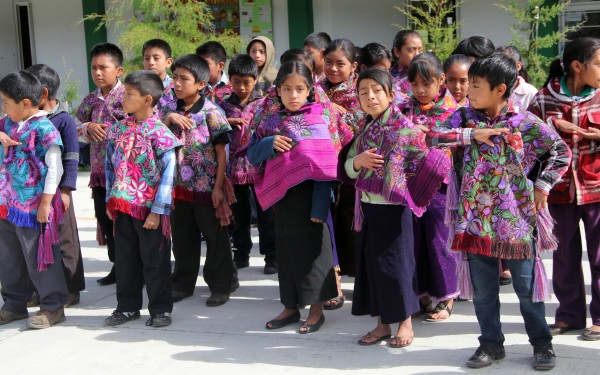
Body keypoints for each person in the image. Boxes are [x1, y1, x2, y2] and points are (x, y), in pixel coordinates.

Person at [426, 53, 571, 370]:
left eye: (476, 85)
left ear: (500, 89)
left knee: (525, 288)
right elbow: (432, 136)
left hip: (516, 223)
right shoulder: (463, 118)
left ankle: (542, 344)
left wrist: (543, 185)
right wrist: (470, 135)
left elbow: (561, 151)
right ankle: (490, 344)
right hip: (475, 223)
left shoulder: (523, 122)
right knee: (483, 292)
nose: (469, 91)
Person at [341, 68, 450, 348]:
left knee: (399, 268)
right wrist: (358, 162)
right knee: (374, 268)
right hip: (370, 209)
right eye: (363, 92)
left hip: (397, 210)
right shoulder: (363, 131)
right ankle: (381, 325)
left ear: (391, 95)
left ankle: (405, 323)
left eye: (377, 91)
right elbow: (347, 167)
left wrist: (414, 191)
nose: (370, 97)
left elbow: (429, 160)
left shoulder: (405, 129)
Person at [248, 61, 339, 334]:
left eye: (300, 89)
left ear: (310, 90)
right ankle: (290, 306)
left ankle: (316, 310)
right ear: (277, 91)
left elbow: (326, 165)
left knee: (314, 254)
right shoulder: (269, 122)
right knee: (286, 252)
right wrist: (268, 143)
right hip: (282, 199)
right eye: (287, 89)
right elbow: (252, 155)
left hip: (312, 198)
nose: (294, 95)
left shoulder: (318, 119)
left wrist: (320, 207)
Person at [527, 37, 600, 341]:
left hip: (596, 189)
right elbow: (526, 143)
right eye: (598, 63)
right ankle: (569, 315)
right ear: (577, 66)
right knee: (564, 255)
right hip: (557, 192)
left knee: (599, 255)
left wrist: (587, 133)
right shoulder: (544, 99)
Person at [104, 70, 181, 327]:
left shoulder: (161, 134)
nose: (123, 98)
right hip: (122, 207)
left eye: (129, 94)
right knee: (125, 260)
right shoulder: (117, 130)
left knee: (155, 260)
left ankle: (160, 309)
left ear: (147, 99)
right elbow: (109, 168)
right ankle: (126, 307)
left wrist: (157, 212)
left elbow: (169, 175)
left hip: (150, 211)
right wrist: (109, 200)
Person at [160, 54, 238, 307]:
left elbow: (221, 152)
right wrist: (167, 119)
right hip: (178, 189)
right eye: (175, 78)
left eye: (184, 79)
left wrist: (218, 187)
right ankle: (182, 283)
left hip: (206, 189)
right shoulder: (168, 109)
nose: (177, 84)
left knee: (215, 239)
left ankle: (221, 285)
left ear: (201, 84)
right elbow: (152, 133)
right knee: (183, 239)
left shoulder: (211, 113)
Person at [0, 71, 67, 329]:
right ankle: (14, 304)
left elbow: (55, 169)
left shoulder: (44, 128)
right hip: (8, 205)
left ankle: (53, 306)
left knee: (39, 258)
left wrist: (46, 203)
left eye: (6, 102)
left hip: (33, 208)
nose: (3, 107)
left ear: (25, 103)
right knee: (9, 259)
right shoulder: (8, 123)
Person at [403, 53, 459, 321]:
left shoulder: (456, 113)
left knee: (438, 239)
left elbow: (460, 148)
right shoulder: (403, 111)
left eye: (426, 84)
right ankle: (422, 293)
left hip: (441, 187)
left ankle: (446, 296)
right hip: (409, 186)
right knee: (414, 240)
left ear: (441, 81)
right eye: (415, 85)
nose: (421, 90)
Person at [25, 64, 85, 308]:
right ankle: (44, 289)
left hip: (58, 192)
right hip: (34, 194)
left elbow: (71, 156)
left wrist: (66, 190)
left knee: (65, 241)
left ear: (43, 92)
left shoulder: (64, 121)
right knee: (40, 242)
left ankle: (71, 288)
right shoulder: (28, 120)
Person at [218, 54, 277, 275]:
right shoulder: (222, 106)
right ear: (230, 80)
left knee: (267, 214)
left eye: (247, 82)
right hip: (234, 169)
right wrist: (228, 123)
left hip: (260, 167)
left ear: (255, 79)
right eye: (236, 82)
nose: (242, 87)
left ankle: (272, 257)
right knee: (239, 214)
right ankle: (241, 253)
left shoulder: (265, 103)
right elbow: (213, 130)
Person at [76, 42, 126, 286]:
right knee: (105, 220)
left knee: (125, 222)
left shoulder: (128, 95)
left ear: (118, 70)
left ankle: (133, 268)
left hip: (126, 175)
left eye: (103, 67)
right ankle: (118, 266)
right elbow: (75, 129)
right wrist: (87, 127)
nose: (97, 72)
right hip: (98, 174)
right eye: (94, 67)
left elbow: (141, 124)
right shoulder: (89, 101)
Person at [497, 45, 538, 110]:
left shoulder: (530, 92)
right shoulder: (491, 89)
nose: (499, 70)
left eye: (505, 65)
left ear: (518, 66)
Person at [390, 30, 423, 103]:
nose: (417, 54)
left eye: (420, 50)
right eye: (411, 50)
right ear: (397, 52)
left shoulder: (427, 74)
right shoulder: (385, 77)